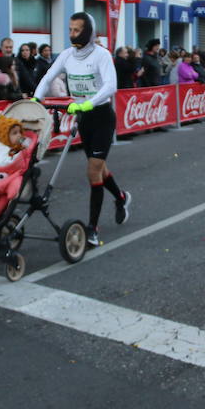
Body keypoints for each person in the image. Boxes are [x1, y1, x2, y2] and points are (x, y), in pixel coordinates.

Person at [33, 12, 132, 246]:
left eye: (77, 30)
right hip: (83, 118)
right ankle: (120, 197)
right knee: (99, 169)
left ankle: (92, 229)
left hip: (101, 117)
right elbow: (48, 77)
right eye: (70, 29)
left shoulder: (102, 55)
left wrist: (88, 102)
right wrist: (37, 99)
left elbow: (111, 85)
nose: (71, 34)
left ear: (88, 31)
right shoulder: (67, 55)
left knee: (92, 170)